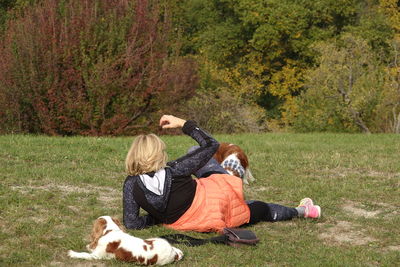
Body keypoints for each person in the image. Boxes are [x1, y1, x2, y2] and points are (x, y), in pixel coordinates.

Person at [123, 115, 321, 233]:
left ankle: (305, 211)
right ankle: (303, 210)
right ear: (159, 154)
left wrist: (157, 218)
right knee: (260, 208)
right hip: (215, 204)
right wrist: (182, 123)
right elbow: (211, 144)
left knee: (199, 161)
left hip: (184, 222)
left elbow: (132, 223)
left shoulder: (131, 184)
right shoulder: (176, 169)